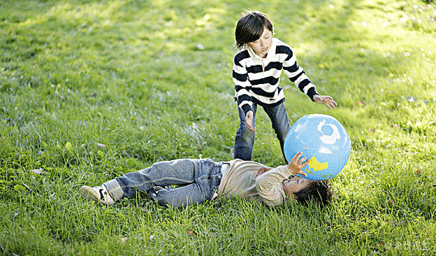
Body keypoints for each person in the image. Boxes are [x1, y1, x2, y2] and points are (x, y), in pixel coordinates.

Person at [232, 11, 338, 162]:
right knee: (246, 133)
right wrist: (248, 111)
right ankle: (238, 171)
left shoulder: (283, 51)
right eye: (256, 41)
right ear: (247, 42)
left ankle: (294, 170)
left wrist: (315, 95)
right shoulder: (241, 59)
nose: (263, 44)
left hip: (272, 96)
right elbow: (241, 89)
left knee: (285, 134)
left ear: (272, 32)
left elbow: (297, 75)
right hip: (250, 97)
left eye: (267, 37)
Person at [80, 152, 333, 208]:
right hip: (210, 167)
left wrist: (285, 169)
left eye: (299, 181)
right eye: (298, 175)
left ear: (296, 197)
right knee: (159, 168)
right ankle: (108, 191)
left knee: (169, 200)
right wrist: (293, 168)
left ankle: (155, 190)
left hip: (210, 188)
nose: (294, 175)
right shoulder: (285, 172)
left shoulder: (277, 198)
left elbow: (264, 183)